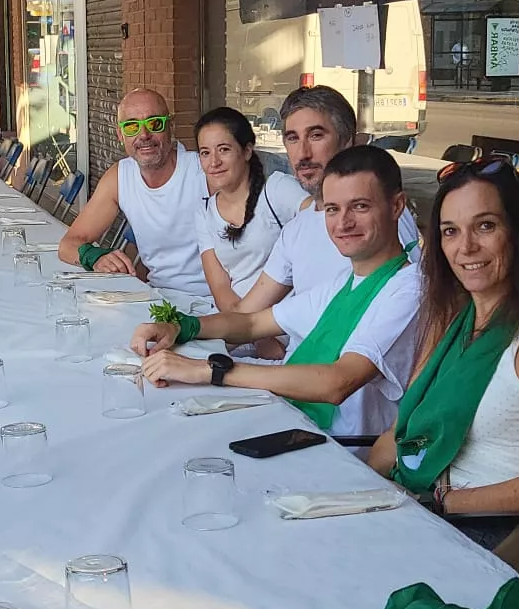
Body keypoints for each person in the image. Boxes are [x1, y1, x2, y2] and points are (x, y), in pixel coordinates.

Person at [364, 158, 519, 570]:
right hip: (424, 509)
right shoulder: (451, 317)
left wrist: (441, 502)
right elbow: (399, 435)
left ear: (518, 233)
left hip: (495, 528)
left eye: (485, 226)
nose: (465, 247)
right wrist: (348, 491)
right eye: (450, 231)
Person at [129, 146, 422, 436]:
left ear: (396, 206)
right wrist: (180, 327)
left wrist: (209, 370)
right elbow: (252, 323)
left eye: (360, 206)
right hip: (293, 420)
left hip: (335, 446)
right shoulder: (347, 281)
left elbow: (337, 383)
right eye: (333, 209)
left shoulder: (409, 288)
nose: (343, 223)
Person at [233, 86, 422, 312]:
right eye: (293, 138)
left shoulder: (378, 218)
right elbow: (247, 315)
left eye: (316, 136)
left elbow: (412, 304)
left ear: (347, 141)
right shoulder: (296, 229)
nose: (303, 153)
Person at [57, 88, 213, 298]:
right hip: (159, 298)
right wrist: (94, 257)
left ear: (171, 126)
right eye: (132, 127)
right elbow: (68, 244)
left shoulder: (205, 170)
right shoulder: (119, 177)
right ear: (120, 135)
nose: (144, 135)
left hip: (213, 301)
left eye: (154, 123)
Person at [193, 106, 309, 310]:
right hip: (238, 320)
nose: (214, 162)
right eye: (205, 153)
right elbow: (220, 289)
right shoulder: (205, 212)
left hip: (286, 318)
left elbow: (322, 221)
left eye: (224, 149)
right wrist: (242, 325)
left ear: (247, 151)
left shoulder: (277, 189)